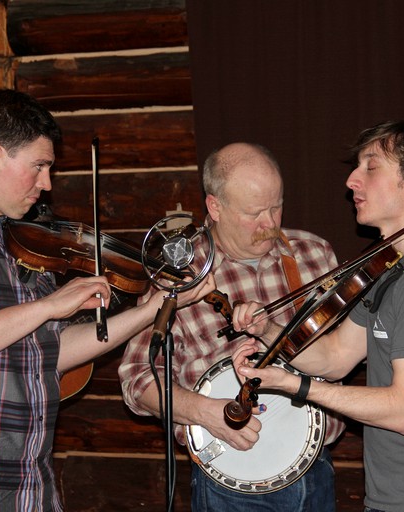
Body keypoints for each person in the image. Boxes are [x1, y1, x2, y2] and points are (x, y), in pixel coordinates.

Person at [0, 89, 214, 511]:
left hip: (23, 485)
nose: (47, 184)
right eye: (39, 166)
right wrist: (47, 306)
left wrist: (152, 309)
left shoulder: (15, 241)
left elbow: (51, 350)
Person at [231, 121, 404, 511]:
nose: (352, 180)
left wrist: (297, 387)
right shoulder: (392, 267)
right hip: (399, 497)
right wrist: (268, 330)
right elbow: (336, 358)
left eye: (370, 167)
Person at [118, 142, 345, 511]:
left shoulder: (314, 255)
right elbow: (137, 378)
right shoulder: (181, 276)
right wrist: (206, 412)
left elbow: (342, 355)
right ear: (215, 207)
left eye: (276, 206)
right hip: (229, 484)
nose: (270, 223)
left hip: (315, 471)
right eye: (255, 212)